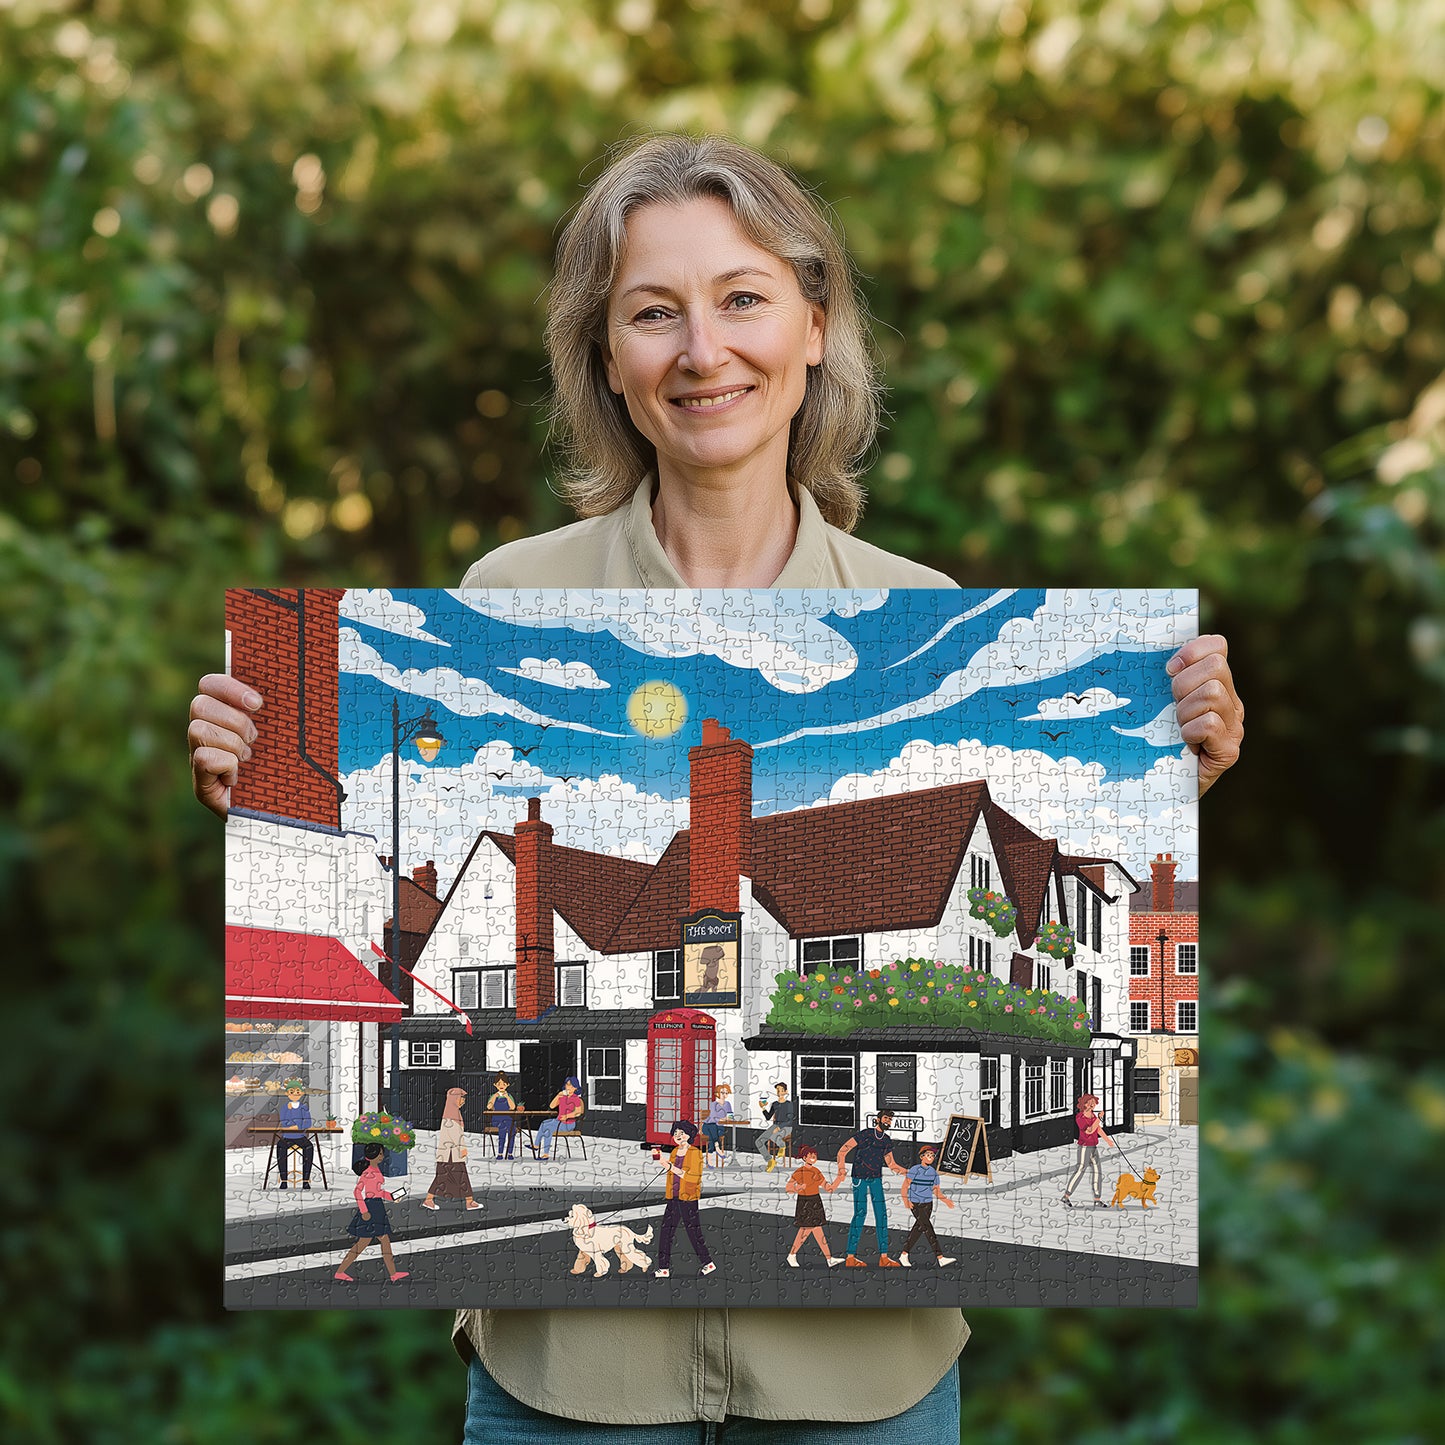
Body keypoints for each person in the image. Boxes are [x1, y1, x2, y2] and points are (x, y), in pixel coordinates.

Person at [189, 132, 1244, 1439]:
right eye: (652, 313)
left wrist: (1171, 766)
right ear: (606, 363)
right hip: (563, 1384)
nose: (703, 349)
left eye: (742, 297)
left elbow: (1104, 872)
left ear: (814, 324)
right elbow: (351, 879)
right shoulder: (502, 604)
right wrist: (266, 791)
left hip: (868, 1386)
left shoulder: (936, 623)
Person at [834, 1109, 909, 1266]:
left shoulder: (887, 1140)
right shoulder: (865, 1134)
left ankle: (883, 1257)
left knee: (881, 1215)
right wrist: (841, 1169)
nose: (888, 1121)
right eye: (886, 1118)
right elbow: (843, 1151)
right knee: (860, 1214)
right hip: (859, 1178)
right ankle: (850, 1257)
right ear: (878, 1119)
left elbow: (892, 1164)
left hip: (876, 1179)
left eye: (890, 1119)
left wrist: (910, 1173)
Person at [335, 1141, 409, 1283]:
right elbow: (357, 1191)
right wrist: (364, 1211)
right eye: (380, 1154)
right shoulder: (368, 1172)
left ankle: (393, 1274)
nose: (382, 1156)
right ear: (372, 1155)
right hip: (371, 1208)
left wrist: (392, 1197)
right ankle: (340, 1271)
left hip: (377, 1206)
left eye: (382, 1153)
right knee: (364, 1243)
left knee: (380, 1240)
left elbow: (378, 1191)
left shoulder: (376, 1170)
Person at [654, 1119, 716, 1279]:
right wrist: (664, 1163)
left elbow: (693, 1178)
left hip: (688, 1198)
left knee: (693, 1232)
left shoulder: (695, 1153)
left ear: (689, 1135)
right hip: (674, 1197)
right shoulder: (674, 1152)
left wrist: (671, 1167)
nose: (678, 1136)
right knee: (666, 1231)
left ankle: (708, 1263)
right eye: (675, 1133)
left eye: (682, 1133)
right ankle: (663, 1267)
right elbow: (672, 1175)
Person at [424, 1086, 483, 1212]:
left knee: (445, 1178)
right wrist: (462, 1148)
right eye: (461, 1098)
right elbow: (455, 1135)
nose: (463, 1101)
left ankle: (430, 1200)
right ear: (454, 1099)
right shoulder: (450, 1117)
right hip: (450, 1153)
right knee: (453, 1177)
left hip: (450, 1153)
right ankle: (469, 1201)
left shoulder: (454, 1113)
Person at [785, 1144, 843, 1267]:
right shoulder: (799, 1171)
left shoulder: (816, 1171)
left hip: (815, 1201)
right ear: (804, 1157)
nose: (813, 1158)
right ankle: (792, 1255)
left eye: (815, 1156)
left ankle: (829, 1259)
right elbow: (788, 1188)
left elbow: (829, 1188)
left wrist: (839, 1179)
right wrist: (798, 1187)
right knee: (806, 1230)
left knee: (817, 1231)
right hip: (805, 1202)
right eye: (811, 1156)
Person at [898, 1146, 957, 1268]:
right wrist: (906, 1202)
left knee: (919, 1229)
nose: (931, 1157)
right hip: (916, 1203)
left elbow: (936, 1191)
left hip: (928, 1204)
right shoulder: (914, 1170)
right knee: (928, 1228)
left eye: (932, 1155)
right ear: (922, 1156)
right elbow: (904, 1187)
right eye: (928, 1155)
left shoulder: (933, 1173)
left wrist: (946, 1201)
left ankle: (904, 1254)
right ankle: (940, 1257)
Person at [1061, 1093, 1116, 1208]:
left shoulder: (1093, 1116)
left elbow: (1098, 1129)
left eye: (1093, 1103)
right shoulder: (1080, 1117)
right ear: (1083, 1104)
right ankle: (1066, 1196)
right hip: (1084, 1147)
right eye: (1089, 1103)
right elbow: (1090, 1130)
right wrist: (1099, 1119)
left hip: (1093, 1147)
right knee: (1080, 1170)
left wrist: (1108, 1140)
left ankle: (1097, 1199)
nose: (1092, 1105)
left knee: (1097, 1172)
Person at [275, 1078, 313, 1189]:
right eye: (292, 1092)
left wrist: (297, 1126)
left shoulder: (304, 1107)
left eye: (297, 1092)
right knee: (280, 1147)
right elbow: (284, 1122)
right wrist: (294, 1123)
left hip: (301, 1137)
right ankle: (284, 1180)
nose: (295, 1094)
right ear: (287, 1093)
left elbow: (308, 1122)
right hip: (287, 1137)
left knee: (309, 1147)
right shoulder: (285, 1108)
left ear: (301, 1093)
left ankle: (306, 1180)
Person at [533, 1076, 583, 1160]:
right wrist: (558, 1095)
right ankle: (536, 1145)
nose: (569, 1087)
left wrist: (567, 1116)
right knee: (544, 1123)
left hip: (568, 1124)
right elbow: (552, 1106)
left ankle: (545, 1154)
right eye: (567, 1085)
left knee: (548, 1129)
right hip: (558, 1121)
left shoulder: (576, 1099)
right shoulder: (562, 1097)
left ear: (576, 1088)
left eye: (571, 1085)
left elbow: (578, 1112)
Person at [756, 1081, 795, 1171]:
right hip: (775, 1126)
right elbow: (768, 1116)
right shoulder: (775, 1104)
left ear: (786, 1091)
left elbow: (789, 1120)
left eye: (781, 1090)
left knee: (774, 1135)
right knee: (759, 1141)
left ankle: (782, 1145)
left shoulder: (789, 1104)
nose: (779, 1092)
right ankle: (770, 1160)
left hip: (787, 1127)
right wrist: (763, 1108)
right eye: (777, 1090)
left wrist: (779, 1127)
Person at [486, 1074, 518, 1161]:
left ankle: (510, 1153)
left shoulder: (509, 1096)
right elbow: (489, 1107)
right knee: (502, 1131)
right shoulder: (493, 1096)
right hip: (497, 1119)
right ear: (495, 1085)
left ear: (507, 1085)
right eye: (499, 1084)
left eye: (504, 1084)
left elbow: (512, 1107)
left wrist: (507, 1097)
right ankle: (500, 1153)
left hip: (508, 1119)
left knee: (512, 1131)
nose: (501, 1086)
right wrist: (494, 1097)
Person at [702, 1082, 734, 1167]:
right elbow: (712, 1118)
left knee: (712, 1138)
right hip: (707, 1126)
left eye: (726, 1093)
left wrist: (726, 1118)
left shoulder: (728, 1104)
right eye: (722, 1092)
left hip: (719, 1127)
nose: (724, 1095)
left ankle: (710, 1160)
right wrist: (722, 1119)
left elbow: (730, 1116)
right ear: (717, 1093)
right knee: (712, 1126)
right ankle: (717, 1147)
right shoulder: (713, 1104)